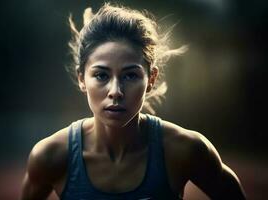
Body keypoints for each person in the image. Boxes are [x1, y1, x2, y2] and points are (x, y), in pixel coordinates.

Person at [21, 3, 246, 200]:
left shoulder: (186, 150)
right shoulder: (51, 157)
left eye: (130, 75)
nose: (116, 91)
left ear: (151, 79)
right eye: (101, 75)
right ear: (82, 79)